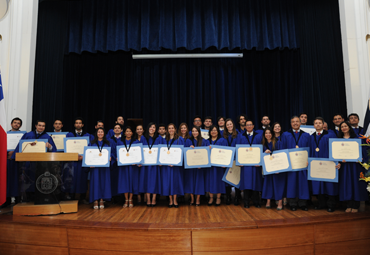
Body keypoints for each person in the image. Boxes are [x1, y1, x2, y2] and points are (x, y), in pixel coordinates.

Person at [309, 117, 340, 212]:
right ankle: (321, 204)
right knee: (319, 184)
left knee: (329, 184)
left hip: (329, 163)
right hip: (317, 164)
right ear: (313, 125)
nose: (318, 125)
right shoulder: (311, 137)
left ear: (323, 125)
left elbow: (336, 149)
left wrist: (337, 161)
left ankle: (331, 205)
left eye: (319, 123)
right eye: (316, 123)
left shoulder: (330, 135)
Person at [337, 121, 369, 213]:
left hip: (355, 165)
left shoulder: (357, 138)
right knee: (346, 184)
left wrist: (361, 157)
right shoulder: (338, 140)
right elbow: (335, 154)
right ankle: (349, 204)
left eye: (345, 126)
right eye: (342, 126)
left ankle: (356, 205)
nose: (344, 128)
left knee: (356, 184)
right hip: (345, 166)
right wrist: (339, 160)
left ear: (349, 127)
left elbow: (364, 150)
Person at [282, 116, 311, 211]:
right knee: (292, 183)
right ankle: (293, 203)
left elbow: (309, 149)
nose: (295, 123)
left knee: (303, 183)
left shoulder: (306, 135)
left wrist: (308, 160)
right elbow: (283, 149)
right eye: (293, 122)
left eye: (297, 121)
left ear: (300, 123)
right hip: (291, 164)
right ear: (291, 123)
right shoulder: (285, 135)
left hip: (302, 164)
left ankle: (303, 203)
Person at [111, 126, 141, 208]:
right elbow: (116, 153)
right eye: (127, 131)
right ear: (124, 133)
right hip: (123, 166)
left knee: (131, 182)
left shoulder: (136, 142)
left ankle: (130, 199)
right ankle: (126, 199)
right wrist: (117, 158)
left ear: (132, 133)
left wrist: (138, 161)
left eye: (130, 131)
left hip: (132, 166)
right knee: (124, 182)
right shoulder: (120, 142)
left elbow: (139, 154)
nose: (128, 133)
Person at [236, 119, 263, 208]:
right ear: (245, 127)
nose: (249, 126)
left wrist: (260, 161)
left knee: (256, 183)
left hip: (255, 164)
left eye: (250, 124)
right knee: (246, 183)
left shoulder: (259, 136)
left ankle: (256, 202)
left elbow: (261, 149)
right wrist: (239, 161)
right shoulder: (241, 136)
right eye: (247, 125)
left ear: (253, 126)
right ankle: (246, 202)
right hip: (245, 165)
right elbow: (238, 149)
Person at [66, 117, 91, 204]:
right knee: (72, 178)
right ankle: (71, 196)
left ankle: (83, 197)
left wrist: (83, 156)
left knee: (82, 179)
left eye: (80, 123)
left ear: (82, 125)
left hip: (82, 162)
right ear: (74, 125)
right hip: (72, 161)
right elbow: (67, 148)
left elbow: (89, 149)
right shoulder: (69, 135)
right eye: (76, 123)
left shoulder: (87, 136)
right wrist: (73, 156)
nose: (78, 124)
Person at [160, 123, 185, 208]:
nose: (171, 130)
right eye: (169, 128)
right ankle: (170, 200)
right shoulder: (164, 140)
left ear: (175, 129)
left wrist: (175, 162)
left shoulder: (179, 139)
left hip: (175, 166)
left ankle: (175, 200)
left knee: (175, 182)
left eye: (172, 128)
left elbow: (182, 152)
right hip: (167, 166)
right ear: (167, 130)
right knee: (168, 182)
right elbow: (162, 153)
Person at [261, 128, 286, 210]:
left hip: (277, 168)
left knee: (278, 184)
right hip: (268, 168)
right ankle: (268, 201)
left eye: (269, 133)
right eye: (266, 133)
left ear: (272, 134)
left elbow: (282, 155)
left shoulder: (278, 142)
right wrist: (264, 153)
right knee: (268, 184)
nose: (268, 134)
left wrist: (279, 168)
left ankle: (280, 202)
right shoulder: (263, 144)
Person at [184, 126, 210, 206]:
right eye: (193, 131)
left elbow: (206, 154)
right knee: (191, 182)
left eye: (196, 131)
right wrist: (189, 148)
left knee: (199, 182)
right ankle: (192, 198)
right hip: (191, 167)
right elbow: (185, 153)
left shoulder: (204, 141)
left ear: (199, 132)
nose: (194, 132)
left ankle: (198, 199)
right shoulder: (188, 141)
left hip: (200, 167)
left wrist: (209, 148)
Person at [88, 127, 111, 209]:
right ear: (96, 133)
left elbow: (111, 154)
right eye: (99, 132)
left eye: (102, 132)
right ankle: (95, 200)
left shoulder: (107, 143)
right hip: (95, 167)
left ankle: (101, 199)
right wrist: (89, 162)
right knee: (95, 182)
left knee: (103, 182)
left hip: (104, 167)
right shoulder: (91, 143)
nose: (100, 133)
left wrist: (110, 157)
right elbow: (88, 155)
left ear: (104, 133)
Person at [140, 122, 162, 207]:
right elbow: (140, 150)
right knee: (147, 181)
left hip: (155, 164)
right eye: (150, 127)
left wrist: (161, 161)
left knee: (154, 181)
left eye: (153, 127)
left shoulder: (159, 138)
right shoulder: (143, 138)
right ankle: (148, 199)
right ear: (148, 128)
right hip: (145, 164)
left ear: (155, 129)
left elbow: (162, 150)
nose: (152, 129)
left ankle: (154, 199)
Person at [207, 125, 227, 206]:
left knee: (219, 181)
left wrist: (225, 163)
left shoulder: (222, 140)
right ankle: (211, 197)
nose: (213, 131)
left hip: (219, 165)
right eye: (212, 130)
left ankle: (218, 198)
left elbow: (225, 152)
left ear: (218, 132)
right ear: (210, 132)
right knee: (210, 181)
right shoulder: (206, 141)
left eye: (215, 130)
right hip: (209, 166)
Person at [5, 118, 23, 206]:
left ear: (20, 125)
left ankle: (17, 199)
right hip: (7, 160)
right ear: (11, 124)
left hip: (18, 161)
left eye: (18, 123)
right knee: (7, 180)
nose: (16, 124)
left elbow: (24, 146)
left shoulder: (23, 135)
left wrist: (14, 153)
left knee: (18, 180)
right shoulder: (5, 134)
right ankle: (7, 200)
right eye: (15, 123)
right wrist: (8, 153)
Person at [223, 118, 239, 205]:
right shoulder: (223, 135)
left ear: (233, 125)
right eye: (227, 124)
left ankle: (237, 197)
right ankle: (228, 197)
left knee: (236, 178)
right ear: (226, 126)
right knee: (227, 179)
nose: (229, 126)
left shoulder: (238, 135)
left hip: (235, 160)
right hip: (226, 160)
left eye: (230, 124)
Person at [107, 123, 123, 203]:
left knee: (122, 180)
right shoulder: (109, 140)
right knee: (113, 180)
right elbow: (109, 151)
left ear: (121, 130)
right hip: (113, 164)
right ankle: (113, 196)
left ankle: (121, 196)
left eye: (118, 128)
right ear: (113, 130)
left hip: (122, 164)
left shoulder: (124, 139)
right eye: (115, 128)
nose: (117, 129)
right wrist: (114, 158)